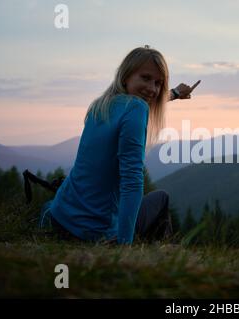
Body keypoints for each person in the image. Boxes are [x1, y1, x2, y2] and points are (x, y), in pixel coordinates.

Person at [39, 46, 201, 245]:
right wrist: (124, 244)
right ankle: (163, 254)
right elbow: (132, 181)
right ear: (126, 76)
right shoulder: (136, 108)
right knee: (161, 199)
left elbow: (147, 99)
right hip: (93, 230)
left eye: (158, 83)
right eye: (145, 78)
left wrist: (174, 93)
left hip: (60, 218)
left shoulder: (101, 105)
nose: (152, 89)